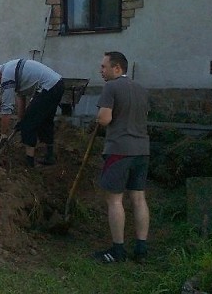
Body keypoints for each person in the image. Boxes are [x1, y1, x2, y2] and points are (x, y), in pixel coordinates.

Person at [93, 51, 150, 264]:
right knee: (138, 198)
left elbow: (105, 119)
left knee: (115, 200)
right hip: (142, 150)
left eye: (104, 66)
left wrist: (99, 118)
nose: (101, 70)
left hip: (119, 149)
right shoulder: (142, 89)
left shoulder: (111, 87)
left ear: (117, 68)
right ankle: (141, 249)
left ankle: (118, 250)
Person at [0, 59, 64, 167]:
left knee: (28, 125)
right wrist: (20, 119)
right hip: (57, 84)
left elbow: (6, 109)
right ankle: (49, 157)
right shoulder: (12, 69)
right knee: (45, 120)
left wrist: (3, 134)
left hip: (48, 87)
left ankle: (30, 164)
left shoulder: (7, 76)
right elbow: (21, 97)